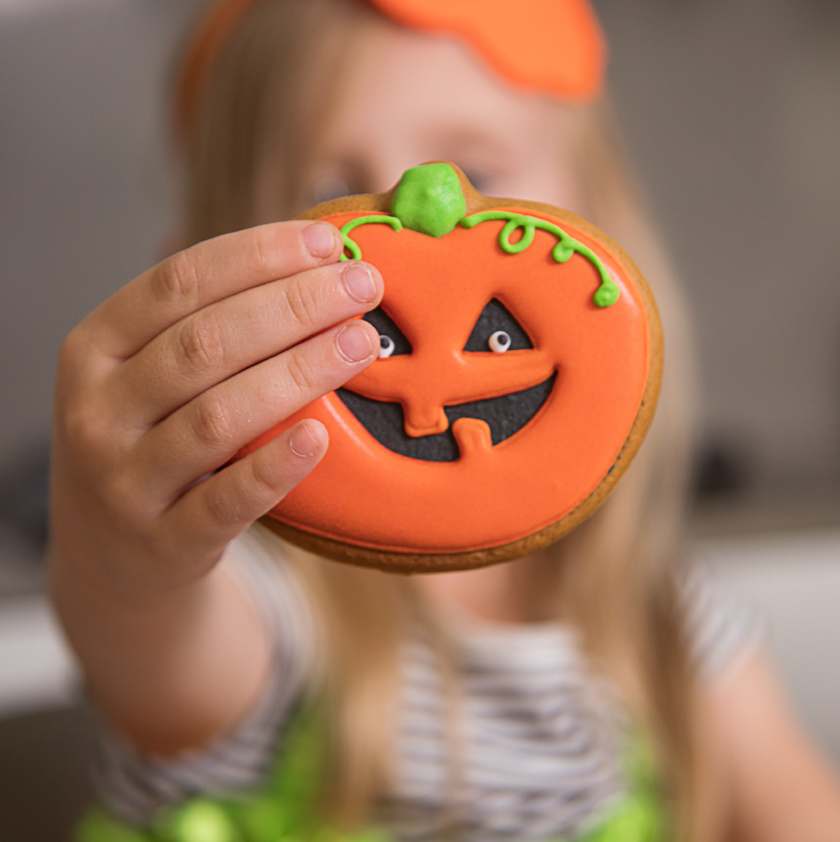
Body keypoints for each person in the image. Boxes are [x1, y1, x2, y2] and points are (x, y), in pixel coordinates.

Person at [49, 1, 840, 840]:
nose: (423, 209)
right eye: (328, 192)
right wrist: (123, 555)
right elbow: (149, 637)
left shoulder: (671, 622)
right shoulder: (258, 604)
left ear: (595, 225)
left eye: (479, 169)